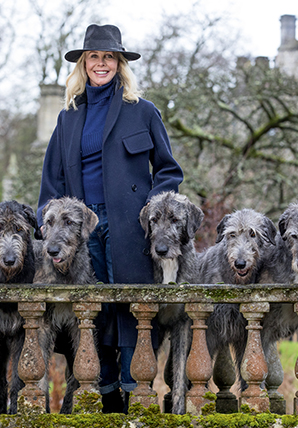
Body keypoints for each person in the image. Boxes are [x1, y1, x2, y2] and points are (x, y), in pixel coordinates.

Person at [36, 23, 184, 413]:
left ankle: (136, 392)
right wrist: (47, 227)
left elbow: (169, 172)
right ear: (83, 65)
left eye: (108, 57)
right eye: (93, 57)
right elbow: (50, 185)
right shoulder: (67, 118)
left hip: (130, 228)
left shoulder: (143, 112)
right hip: (81, 233)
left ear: (119, 64)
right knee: (92, 312)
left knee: (134, 309)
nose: (100, 64)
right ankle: (102, 395)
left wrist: (151, 212)